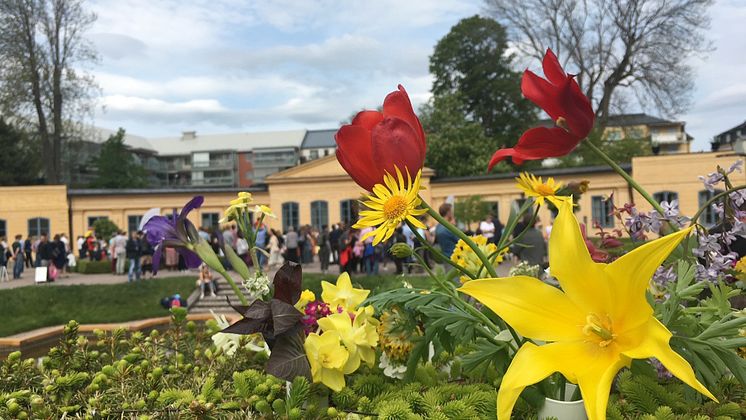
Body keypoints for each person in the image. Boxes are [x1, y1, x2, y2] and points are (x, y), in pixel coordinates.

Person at [435, 203, 460, 270]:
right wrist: (454, 226)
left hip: (445, 257)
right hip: (454, 258)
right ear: (448, 212)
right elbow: (460, 240)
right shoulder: (449, 228)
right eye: (451, 211)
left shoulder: (438, 227)